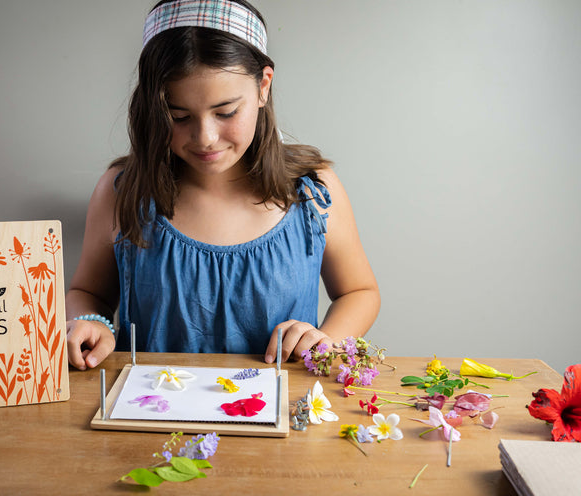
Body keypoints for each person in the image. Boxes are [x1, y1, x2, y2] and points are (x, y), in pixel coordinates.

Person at [66, 0, 379, 370]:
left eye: (226, 112)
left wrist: (326, 337)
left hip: (281, 416)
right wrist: (92, 322)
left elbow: (359, 292)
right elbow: (87, 293)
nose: (205, 137)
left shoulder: (312, 192)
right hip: (152, 414)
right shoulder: (122, 191)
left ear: (263, 86)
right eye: (178, 116)